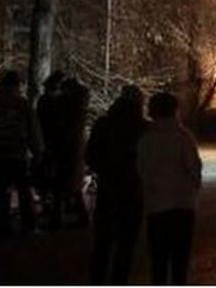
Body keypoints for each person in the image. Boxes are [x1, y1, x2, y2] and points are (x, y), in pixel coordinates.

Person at [137, 92, 202, 285]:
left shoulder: (147, 139)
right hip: (183, 206)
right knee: (180, 262)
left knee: (158, 260)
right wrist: (192, 188)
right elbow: (194, 168)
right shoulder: (184, 137)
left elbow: (142, 171)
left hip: (157, 206)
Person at [86, 85, 148, 285]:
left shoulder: (104, 124)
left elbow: (90, 156)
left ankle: (97, 281)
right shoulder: (144, 128)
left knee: (102, 244)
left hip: (108, 190)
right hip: (133, 192)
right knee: (126, 245)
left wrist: (105, 170)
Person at [0, 70, 42, 235]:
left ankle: (3, 224)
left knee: (0, 190)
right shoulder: (21, 103)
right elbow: (33, 129)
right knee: (24, 189)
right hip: (16, 153)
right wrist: (37, 150)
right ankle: (29, 224)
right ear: (16, 84)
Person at [46, 77, 90, 228]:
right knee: (73, 184)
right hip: (75, 146)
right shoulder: (80, 105)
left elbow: (57, 124)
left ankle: (57, 218)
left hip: (64, 146)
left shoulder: (64, 104)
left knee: (59, 184)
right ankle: (81, 216)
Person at [35, 71, 66, 216]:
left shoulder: (45, 101)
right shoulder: (61, 102)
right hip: (56, 142)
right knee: (54, 176)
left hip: (47, 142)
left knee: (47, 175)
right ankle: (54, 205)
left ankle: (49, 204)